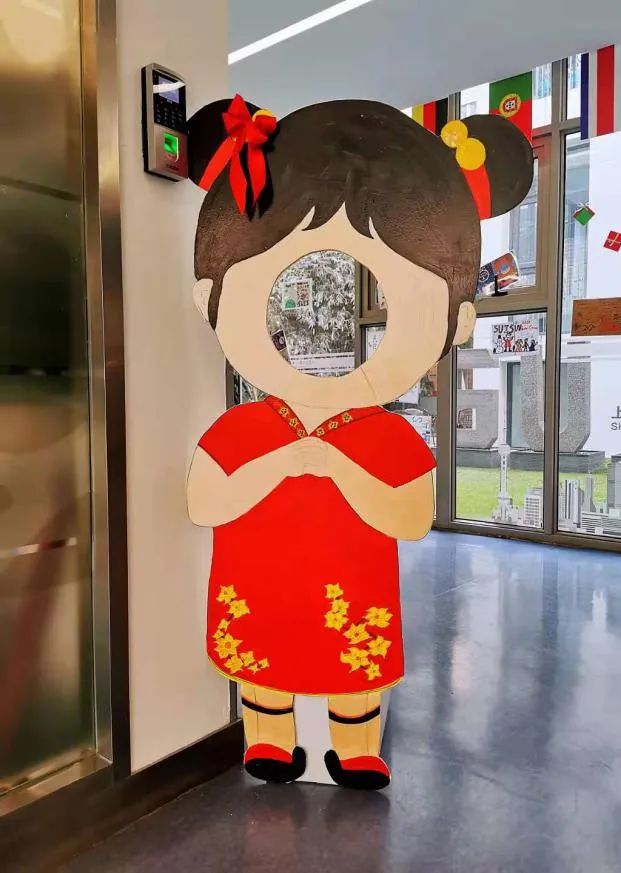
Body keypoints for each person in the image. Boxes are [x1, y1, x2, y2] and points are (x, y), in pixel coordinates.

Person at [185, 96, 533, 789]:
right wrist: (283, 463)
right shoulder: (240, 428)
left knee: (353, 668)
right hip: (263, 586)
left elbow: (410, 517)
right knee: (265, 665)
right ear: (208, 298)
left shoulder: (388, 434)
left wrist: (341, 472)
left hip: (351, 589)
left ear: (458, 320)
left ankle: (355, 748)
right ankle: (270, 741)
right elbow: (205, 502)